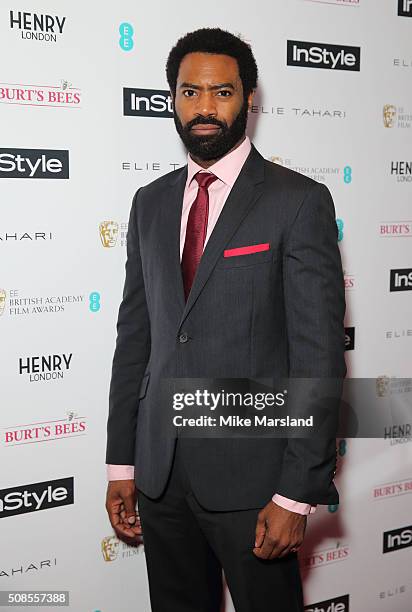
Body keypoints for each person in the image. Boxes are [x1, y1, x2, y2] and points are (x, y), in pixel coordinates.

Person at [105, 27, 346, 612]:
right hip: (160, 476)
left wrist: (296, 492)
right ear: (172, 99)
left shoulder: (298, 201)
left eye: (222, 92)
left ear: (248, 98)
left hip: (256, 480)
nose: (205, 108)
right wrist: (122, 460)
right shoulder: (150, 202)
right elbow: (137, 337)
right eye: (190, 93)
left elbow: (318, 355)